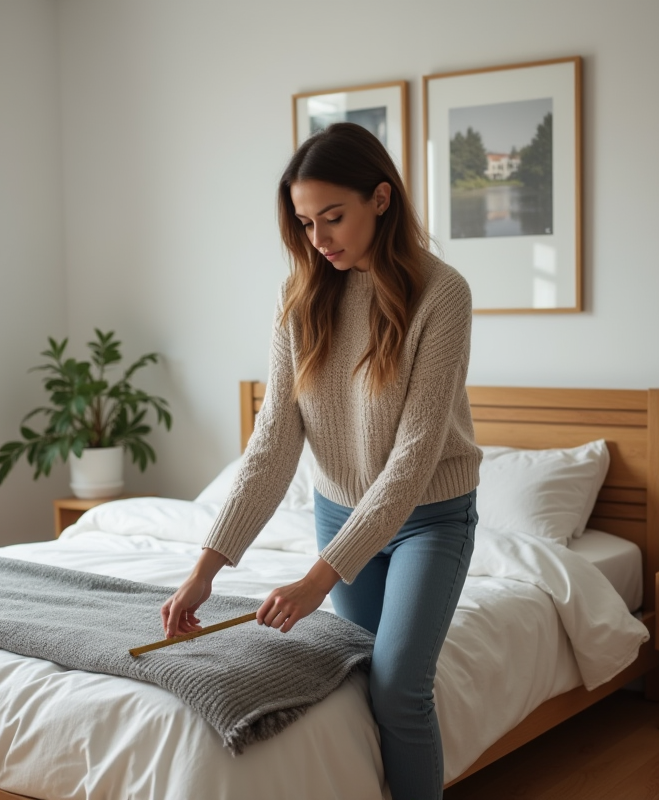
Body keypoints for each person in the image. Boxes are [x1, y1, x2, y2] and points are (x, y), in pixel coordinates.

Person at [160, 122, 481, 800]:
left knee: (398, 687)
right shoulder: (301, 296)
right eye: (305, 223)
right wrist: (204, 572)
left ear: (382, 200)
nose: (319, 239)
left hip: (428, 518)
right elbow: (273, 441)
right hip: (339, 512)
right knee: (354, 677)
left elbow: (414, 457)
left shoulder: (442, 293)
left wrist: (314, 581)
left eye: (333, 217)